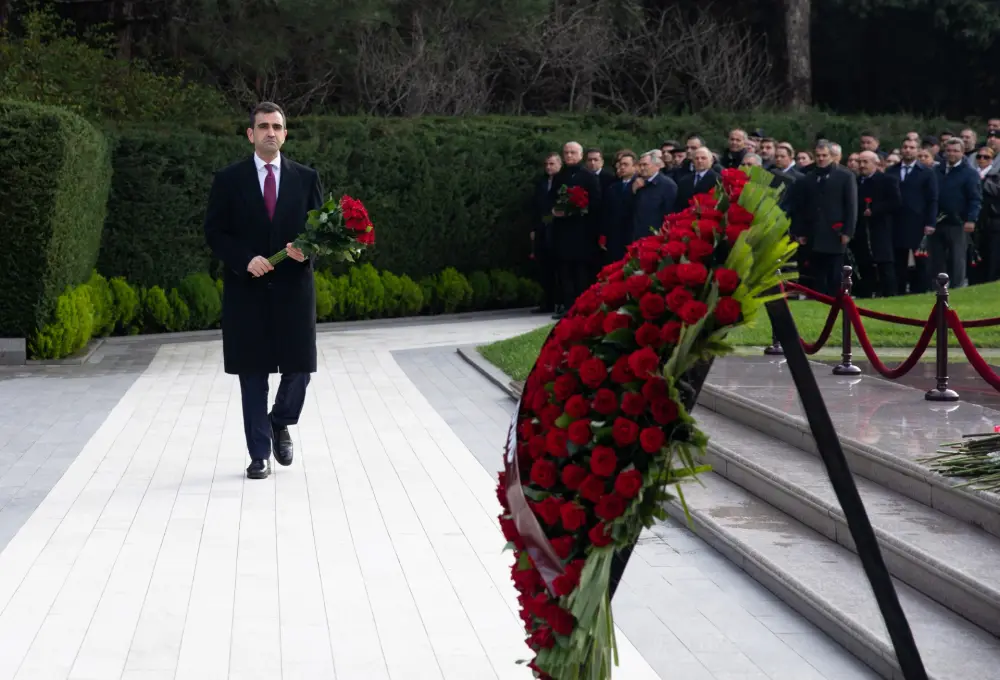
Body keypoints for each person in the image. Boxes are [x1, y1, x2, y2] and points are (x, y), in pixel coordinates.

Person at [204, 101, 324, 480]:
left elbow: (321, 233)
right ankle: (259, 455)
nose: (270, 132)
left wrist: (308, 251)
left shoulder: (307, 178)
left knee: (300, 369)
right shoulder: (228, 180)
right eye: (263, 126)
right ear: (250, 134)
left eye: (277, 126)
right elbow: (215, 232)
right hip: (247, 293)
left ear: (285, 134)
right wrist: (244, 259)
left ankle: (280, 421)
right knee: (252, 375)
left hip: (293, 291)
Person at [797, 140, 858, 296]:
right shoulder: (809, 177)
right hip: (814, 231)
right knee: (817, 270)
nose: (821, 159)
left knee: (835, 270)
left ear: (832, 156)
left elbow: (851, 206)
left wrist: (848, 232)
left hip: (835, 231)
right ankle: (818, 297)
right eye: (818, 156)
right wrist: (801, 232)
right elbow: (803, 206)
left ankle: (835, 298)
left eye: (825, 155)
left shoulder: (845, 176)